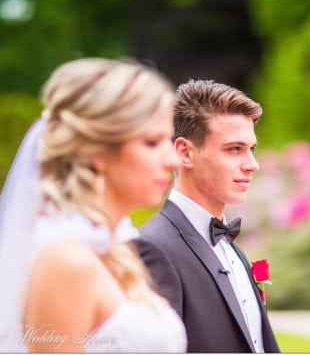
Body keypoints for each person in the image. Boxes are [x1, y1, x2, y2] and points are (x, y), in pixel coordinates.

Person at [0, 58, 187, 352]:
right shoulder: (67, 261)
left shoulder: (112, 247)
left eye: (169, 140)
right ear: (97, 152)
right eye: (152, 142)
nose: (172, 160)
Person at [135, 79, 280, 353]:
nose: (252, 165)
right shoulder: (152, 249)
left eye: (252, 149)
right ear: (184, 152)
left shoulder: (233, 250)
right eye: (234, 149)